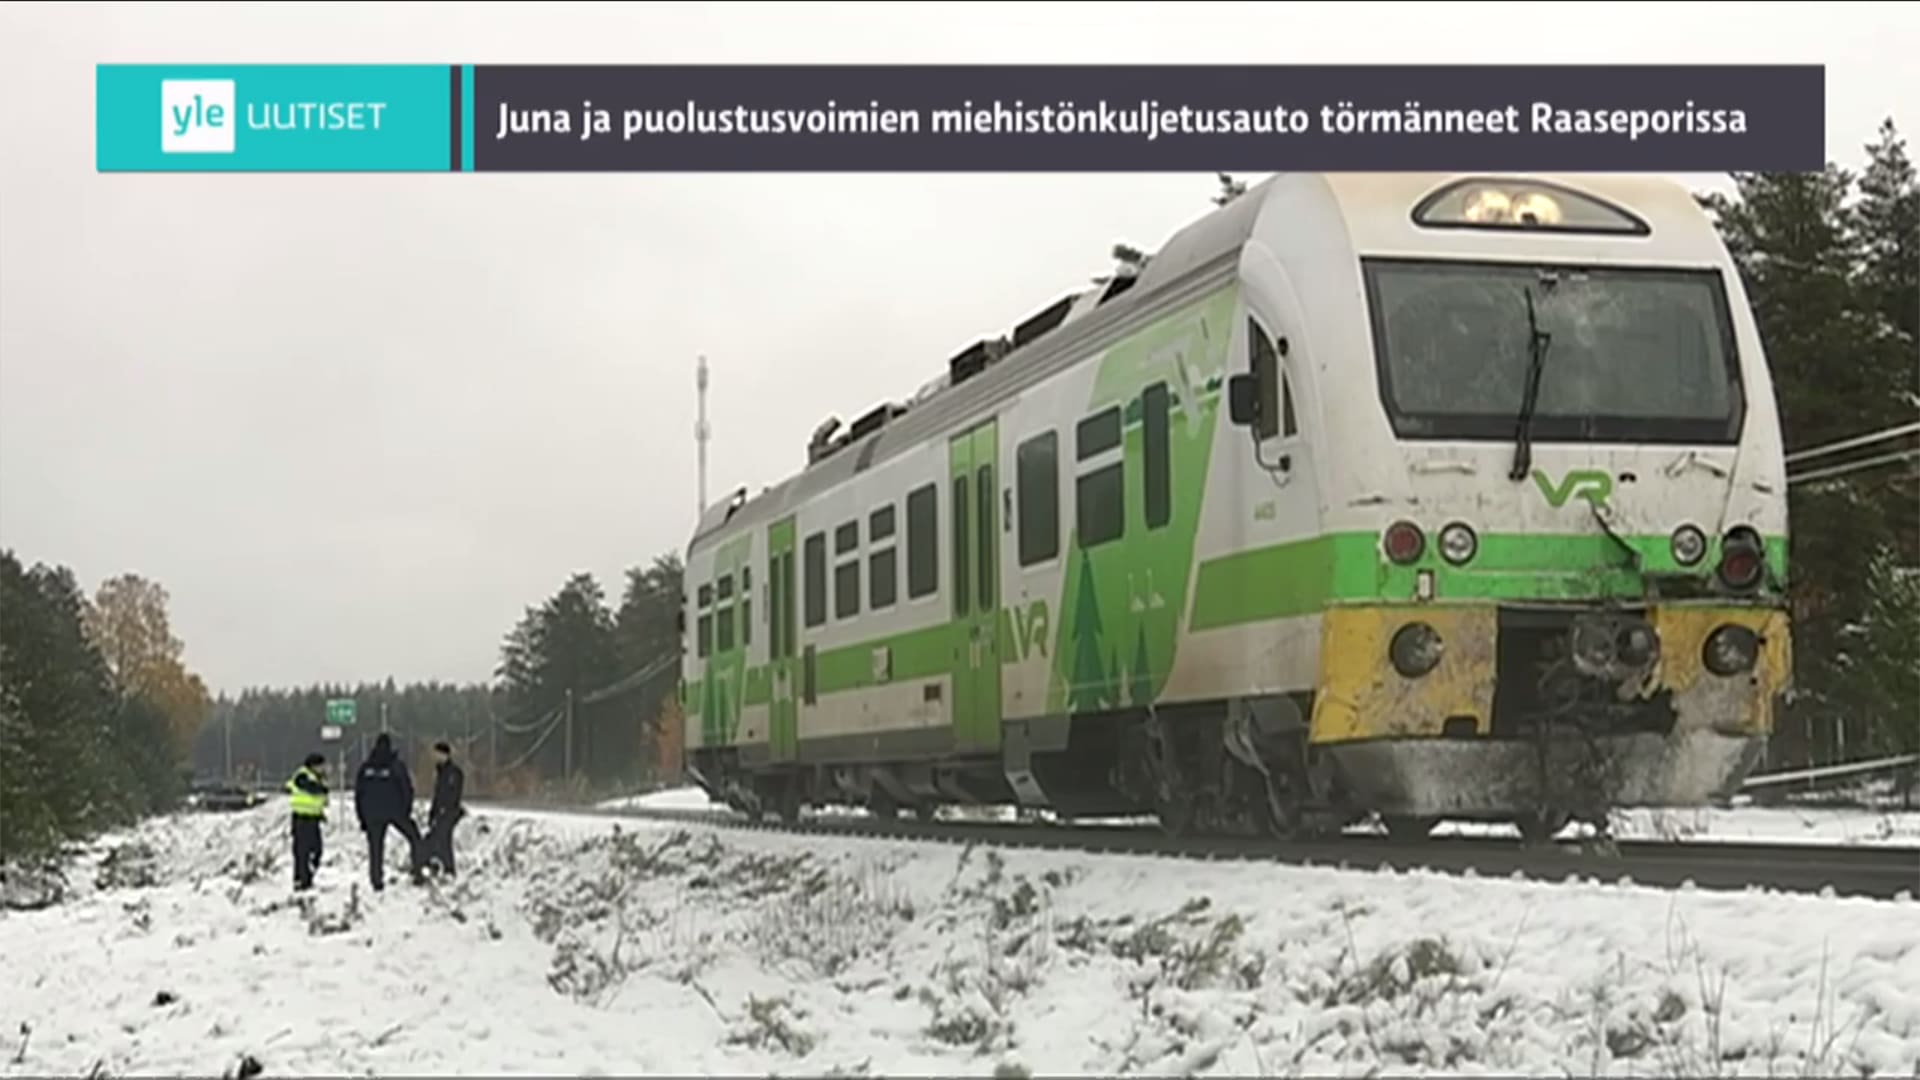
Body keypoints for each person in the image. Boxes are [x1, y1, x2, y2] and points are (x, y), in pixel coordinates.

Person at [353, 733, 423, 893]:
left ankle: (376, 880)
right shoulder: (396, 766)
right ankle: (418, 870)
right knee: (414, 837)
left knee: (375, 848)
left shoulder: (366, 767)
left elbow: (359, 794)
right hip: (395, 811)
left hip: (372, 814)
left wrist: (362, 818)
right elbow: (407, 789)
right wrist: (406, 810)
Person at [285, 753, 329, 892]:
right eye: (321, 766)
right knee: (302, 852)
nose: (324, 768)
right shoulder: (302, 775)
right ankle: (302, 881)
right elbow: (308, 788)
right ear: (314, 765)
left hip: (312, 818)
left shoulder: (317, 778)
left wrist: (320, 813)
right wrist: (321, 789)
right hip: (302, 819)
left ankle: (306, 878)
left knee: (316, 850)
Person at [421, 741, 466, 879]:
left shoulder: (454, 773)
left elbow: (454, 794)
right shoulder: (440, 771)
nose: (435, 757)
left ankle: (449, 869)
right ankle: (430, 865)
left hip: (449, 811)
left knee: (444, 838)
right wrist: (433, 812)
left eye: (437, 754)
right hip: (440, 811)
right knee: (432, 838)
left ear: (445, 754)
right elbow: (437, 794)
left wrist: (446, 809)